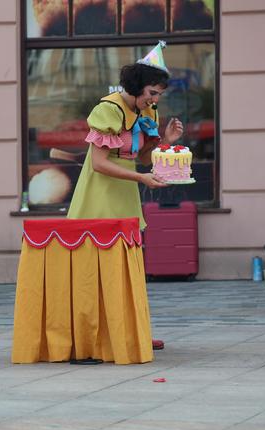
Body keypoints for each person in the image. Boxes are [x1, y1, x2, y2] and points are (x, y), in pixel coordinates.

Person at [67, 42, 184, 351]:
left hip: (125, 196)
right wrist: (140, 177)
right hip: (99, 198)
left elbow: (142, 158)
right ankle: (94, 337)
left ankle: (133, 331)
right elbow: (100, 163)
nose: (155, 99)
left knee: (128, 271)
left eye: (158, 94)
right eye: (152, 93)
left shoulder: (145, 110)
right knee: (96, 273)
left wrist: (165, 142)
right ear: (135, 88)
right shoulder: (109, 109)